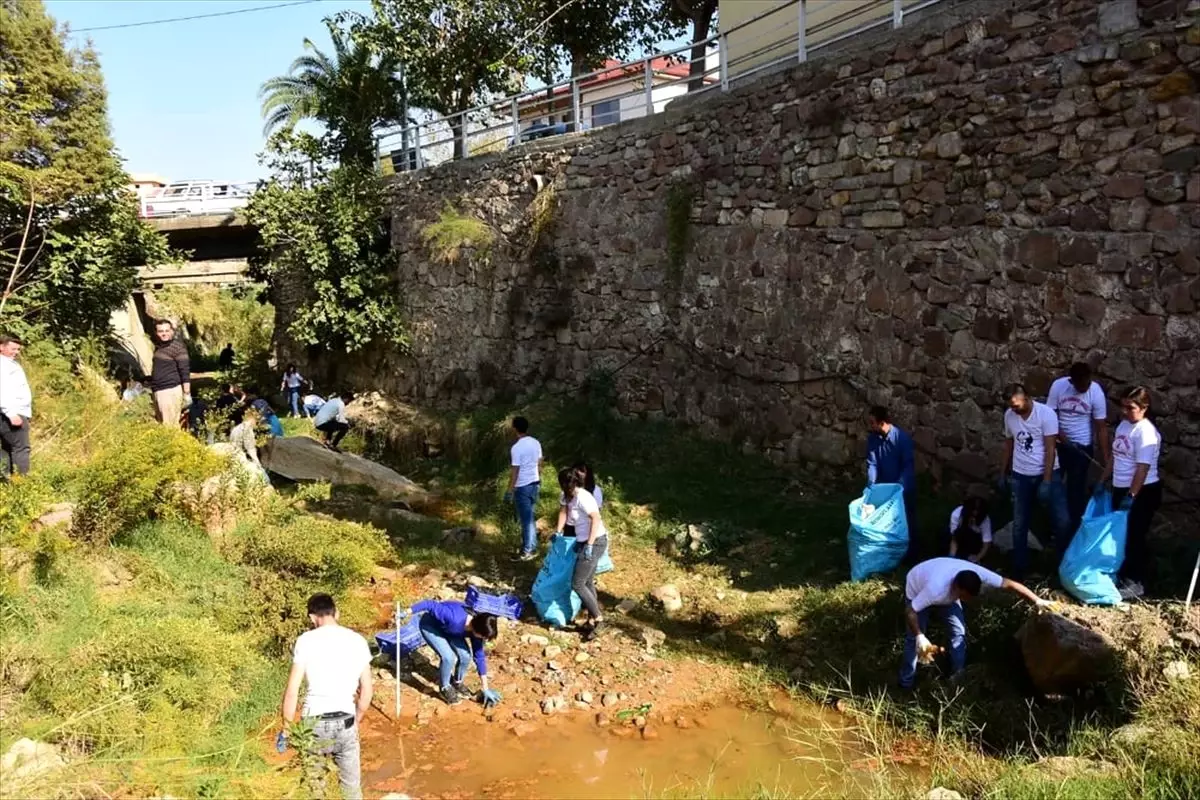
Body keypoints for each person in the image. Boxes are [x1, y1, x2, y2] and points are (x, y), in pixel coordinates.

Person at [899, 557, 1051, 689]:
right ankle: (906, 683)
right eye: (966, 596)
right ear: (957, 588)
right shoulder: (935, 589)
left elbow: (1009, 584)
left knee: (958, 632)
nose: (970, 600)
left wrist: (1037, 600)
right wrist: (920, 635)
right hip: (917, 587)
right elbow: (910, 611)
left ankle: (956, 677)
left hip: (945, 592)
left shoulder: (977, 573)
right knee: (914, 641)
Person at [280, 594, 372, 800]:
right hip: (346, 720)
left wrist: (286, 728)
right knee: (351, 790)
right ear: (336, 612)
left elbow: (292, 690)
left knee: (315, 790)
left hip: (312, 723)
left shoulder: (305, 641)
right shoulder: (357, 640)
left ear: (312, 617)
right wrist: (356, 719)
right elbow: (366, 691)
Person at [1001, 383, 1071, 578]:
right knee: (1019, 523)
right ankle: (1020, 568)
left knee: (1062, 521)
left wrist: (1047, 481)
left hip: (1047, 473)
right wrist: (1003, 472)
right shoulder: (1009, 415)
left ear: (1028, 398)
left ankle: (1063, 566)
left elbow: (1050, 449)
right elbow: (1009, 444)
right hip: (1020, 474)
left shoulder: (1046, 414)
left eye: (1017, 405)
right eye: (1011, 406)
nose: (1014, 409)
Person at [1099, 386, 1162, 600]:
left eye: (1131, 407)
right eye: (1123, 406)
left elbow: (1142, 468)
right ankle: (1123, 575)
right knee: (1122, 536)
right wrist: (1102, 480)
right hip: (1120, 487)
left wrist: (1131, 496)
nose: (1125, 411)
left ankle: (1137, 583)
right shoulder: (1124, 426)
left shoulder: (1146, 432)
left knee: (1135, 536)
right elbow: (1115, 457)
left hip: (1142, 491)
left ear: (1144, 408)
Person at [1047, 362, 1109, 532]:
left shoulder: (1095, 392)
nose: (1084, 387)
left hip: (1082, 448)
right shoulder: (1059, 386)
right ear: (1071, 382)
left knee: (1075, 491)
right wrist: (1064, 440)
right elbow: (1049, 418)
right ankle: (1054, 527)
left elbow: (1101, 427)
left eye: (1086, 383)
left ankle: (1074, 529)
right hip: (1060, 445)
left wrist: (1106, 458)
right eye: (1080, 385)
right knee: (1054, 485)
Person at [402, 599, 500, 707]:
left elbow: (479, 657)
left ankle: (457, 683)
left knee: (465, 656)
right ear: (477, 629)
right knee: (448, 657)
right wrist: (407, 612)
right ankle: (445, 688)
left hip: (452, 631)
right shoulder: (452, 617)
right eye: (483, 637)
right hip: (431, 626)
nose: (483, 640)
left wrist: (485, 688)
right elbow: (429, 604)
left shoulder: (477, 632)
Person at [554, 466, 609, 641]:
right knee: (586, 581)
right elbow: (563, 512)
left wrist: (590, 545)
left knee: (577, 583)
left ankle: (599, 619)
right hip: (582, 540)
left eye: (569, 487)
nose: (567, 490)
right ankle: (592, 619)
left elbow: (596, 518)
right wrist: (558, 531)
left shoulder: (584, 497)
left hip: (596, 541)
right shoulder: (565, 497)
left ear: (574, 483)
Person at [866, 406, 918, 558]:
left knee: (908, 519)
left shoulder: (902, 439)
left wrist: (899, 487)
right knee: (887, 522)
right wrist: (871, 486)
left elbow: (907, 466)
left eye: (872, 422)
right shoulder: (873, 439)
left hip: (903, 488)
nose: (871, 426)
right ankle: (890, 552)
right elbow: (872, 464)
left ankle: (912, 552)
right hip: (884, 487)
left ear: (882, 422)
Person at [504, 417, 543, 561]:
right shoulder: (536, 442)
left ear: (515, 429)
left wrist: (509, 490)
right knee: (530, 517)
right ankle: (530, 545)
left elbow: (515, 471)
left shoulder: (516, 448)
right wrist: (539, 478)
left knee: (526, 520)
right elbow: (540, 463)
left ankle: (528, 550)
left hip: (523, 486)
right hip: (535, 483)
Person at [0, 333, 32, 478]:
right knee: (21, 448)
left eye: (18, 350)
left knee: (7, 448)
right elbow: (2, 389)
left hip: (10, 411)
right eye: (13, 349)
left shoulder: (8, 363)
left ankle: (7, 482)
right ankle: (22, 485)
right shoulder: (3, 365)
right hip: (11, 412)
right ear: (1, 347)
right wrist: (11, 412)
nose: (16, 353)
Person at [149, 319, 191, 428]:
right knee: (163, 425)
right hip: (159, 390)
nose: (164, 334)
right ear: (156, 333)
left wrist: (187, 393)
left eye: (167, 330)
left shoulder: (177, 348)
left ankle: (174, 445)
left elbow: (185, 371)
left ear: (172, 331)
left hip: (170, 390)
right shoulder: (159, 347)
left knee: (169, 427)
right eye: (161, 331)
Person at [229, 408, 270, 484]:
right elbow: (250, 448)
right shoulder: (247, 429)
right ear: (253, 419)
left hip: (234, 458)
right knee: (265, 479)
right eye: (256, 421)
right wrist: (258, 464)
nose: (256, 424)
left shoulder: (236, 428)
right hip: (242, 460)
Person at [947, 496, 992, 563]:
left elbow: (986, 543)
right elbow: (954, 539)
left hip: (976, 546)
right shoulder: (956, 514)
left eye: (978, 510)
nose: (975, 513)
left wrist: (977, 558)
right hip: (961, 543)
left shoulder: (985, 519)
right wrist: (951, 558)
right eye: (973, 509)